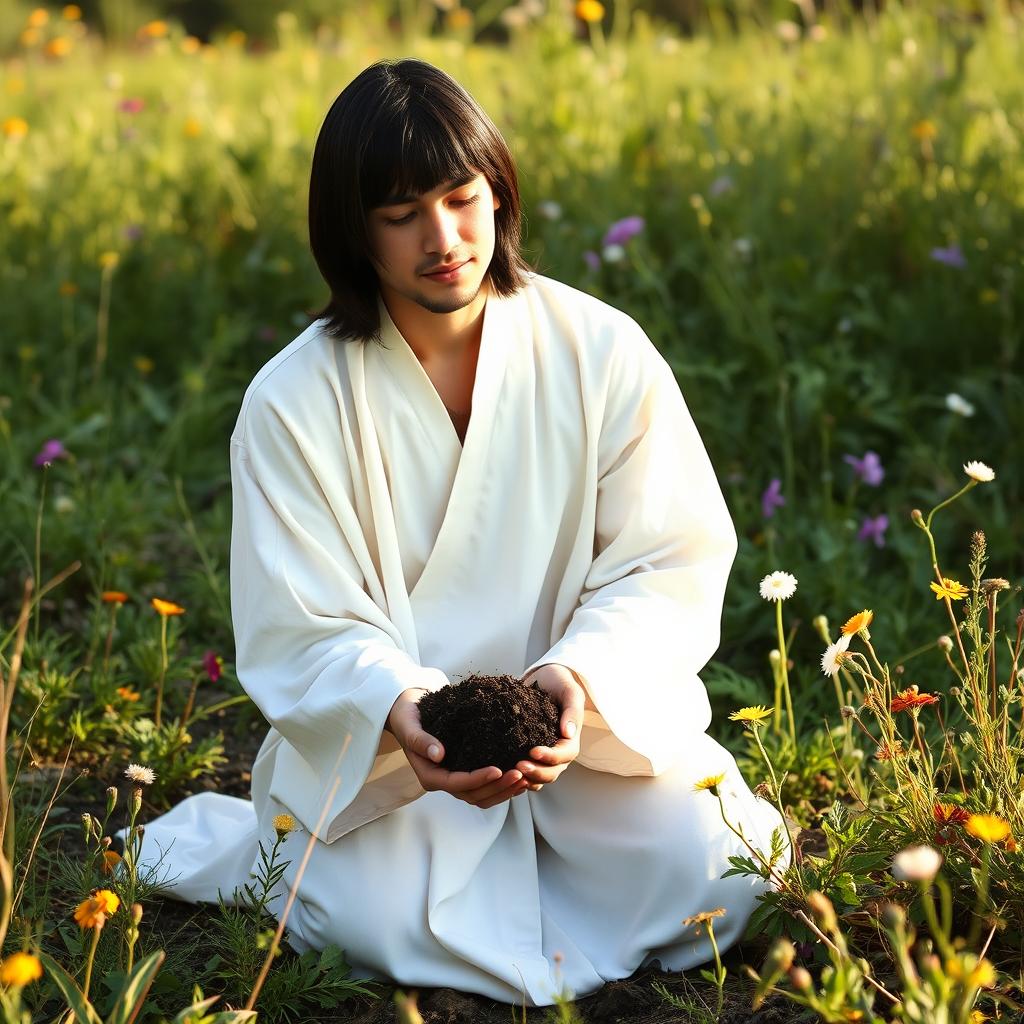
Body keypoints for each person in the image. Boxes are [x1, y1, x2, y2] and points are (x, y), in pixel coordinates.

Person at [133, 57, 787, 1007]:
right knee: (388, 928)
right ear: (352, 232)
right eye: (401, 215)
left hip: (584, 742)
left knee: (727, 865)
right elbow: (300, 620)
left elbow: (667, 558)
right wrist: (401, 711)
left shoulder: (601, 351)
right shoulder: (293, 403)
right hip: (394, 765)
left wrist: (578, 680)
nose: (443, 239)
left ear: (499, 193)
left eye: (461, 198)